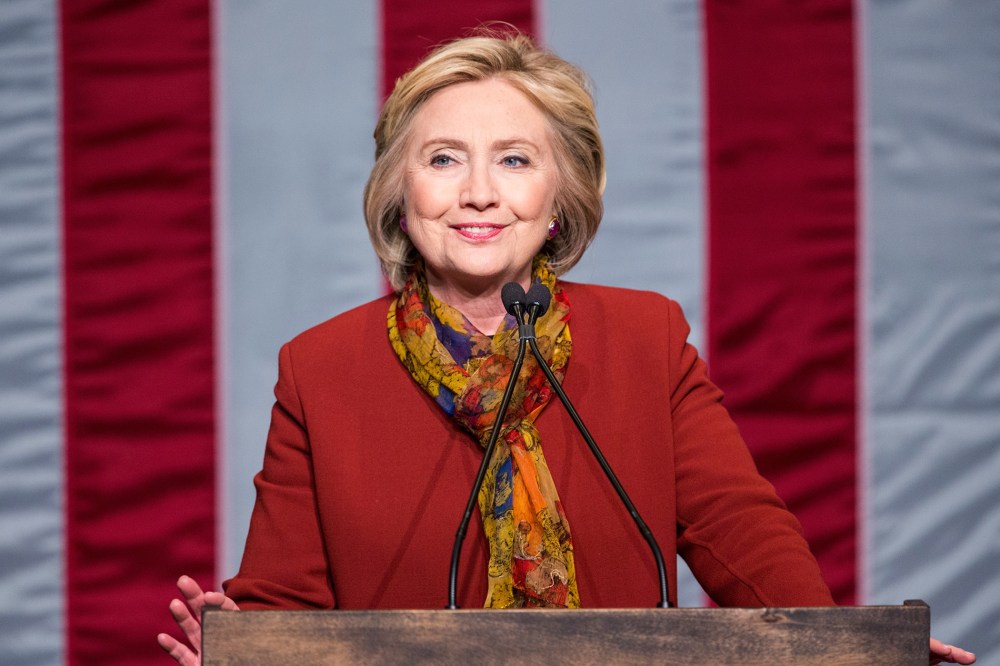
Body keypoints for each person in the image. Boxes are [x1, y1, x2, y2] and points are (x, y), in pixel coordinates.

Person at [158, 32, 975, 664]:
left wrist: (852, 651)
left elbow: (744, 535)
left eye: (514, 160)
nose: (479, 190)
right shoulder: (322, 370)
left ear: (558, 201)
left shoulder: (645, 339)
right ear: (402, 199)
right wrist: (241, 645)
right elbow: (283, 610)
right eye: (444, 160)